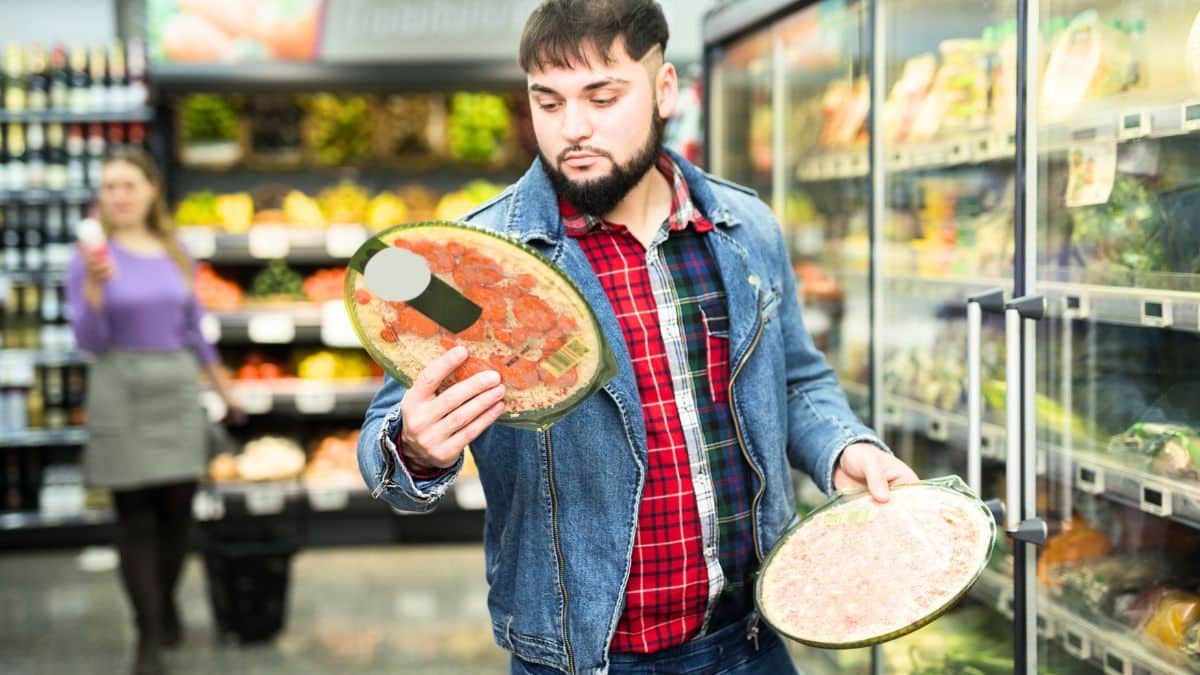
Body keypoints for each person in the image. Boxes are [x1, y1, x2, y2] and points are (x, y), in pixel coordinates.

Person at [359, 1, 918, 673]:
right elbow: (385, 445)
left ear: (664, 91)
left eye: (603, 96)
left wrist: (842, 447)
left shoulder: (744, 229)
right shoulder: (477, 263)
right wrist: (415, 446)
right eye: (550, 102)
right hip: (581, 660)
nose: (574, 129)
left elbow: (795, 379)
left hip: (751, 644)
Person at [66, 146, 244, 675]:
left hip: (174, 387)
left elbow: (194, 329)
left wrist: (224, 387)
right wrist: (96, 286)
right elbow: (88, 340)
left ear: (151, 191)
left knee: (177, 513)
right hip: (117, 383)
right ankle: (147, 634)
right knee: (134, 517)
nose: (118, 196)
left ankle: (162, 598)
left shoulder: (175, 249)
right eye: (109, 187)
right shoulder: (89, 259)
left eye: (128, 185)